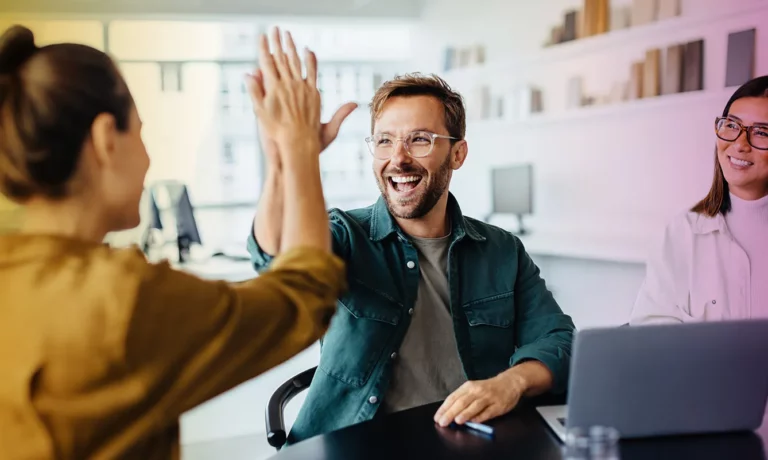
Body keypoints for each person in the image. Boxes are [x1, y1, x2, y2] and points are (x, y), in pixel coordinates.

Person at [0, 25, 346, 459]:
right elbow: (305, 296)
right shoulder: (121, 300)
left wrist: (281, 162)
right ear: (107, 139)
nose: (148, 158)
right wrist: (298, 148)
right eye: (140, 134)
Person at [248, 72, 576, 444]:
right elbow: (273, 256)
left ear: (457, 154)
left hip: (465, 444)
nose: (398, 159)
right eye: (385, 141)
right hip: (351, 446)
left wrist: (511, 383)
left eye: (420, 139)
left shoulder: (502, 250)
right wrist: (283, 160)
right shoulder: (344, 235)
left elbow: (560, 341)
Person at [630, 75, 768, 324]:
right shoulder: (681, 233)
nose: (739, 144)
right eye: (731, 125)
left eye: (761, 132)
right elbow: (651, 333)